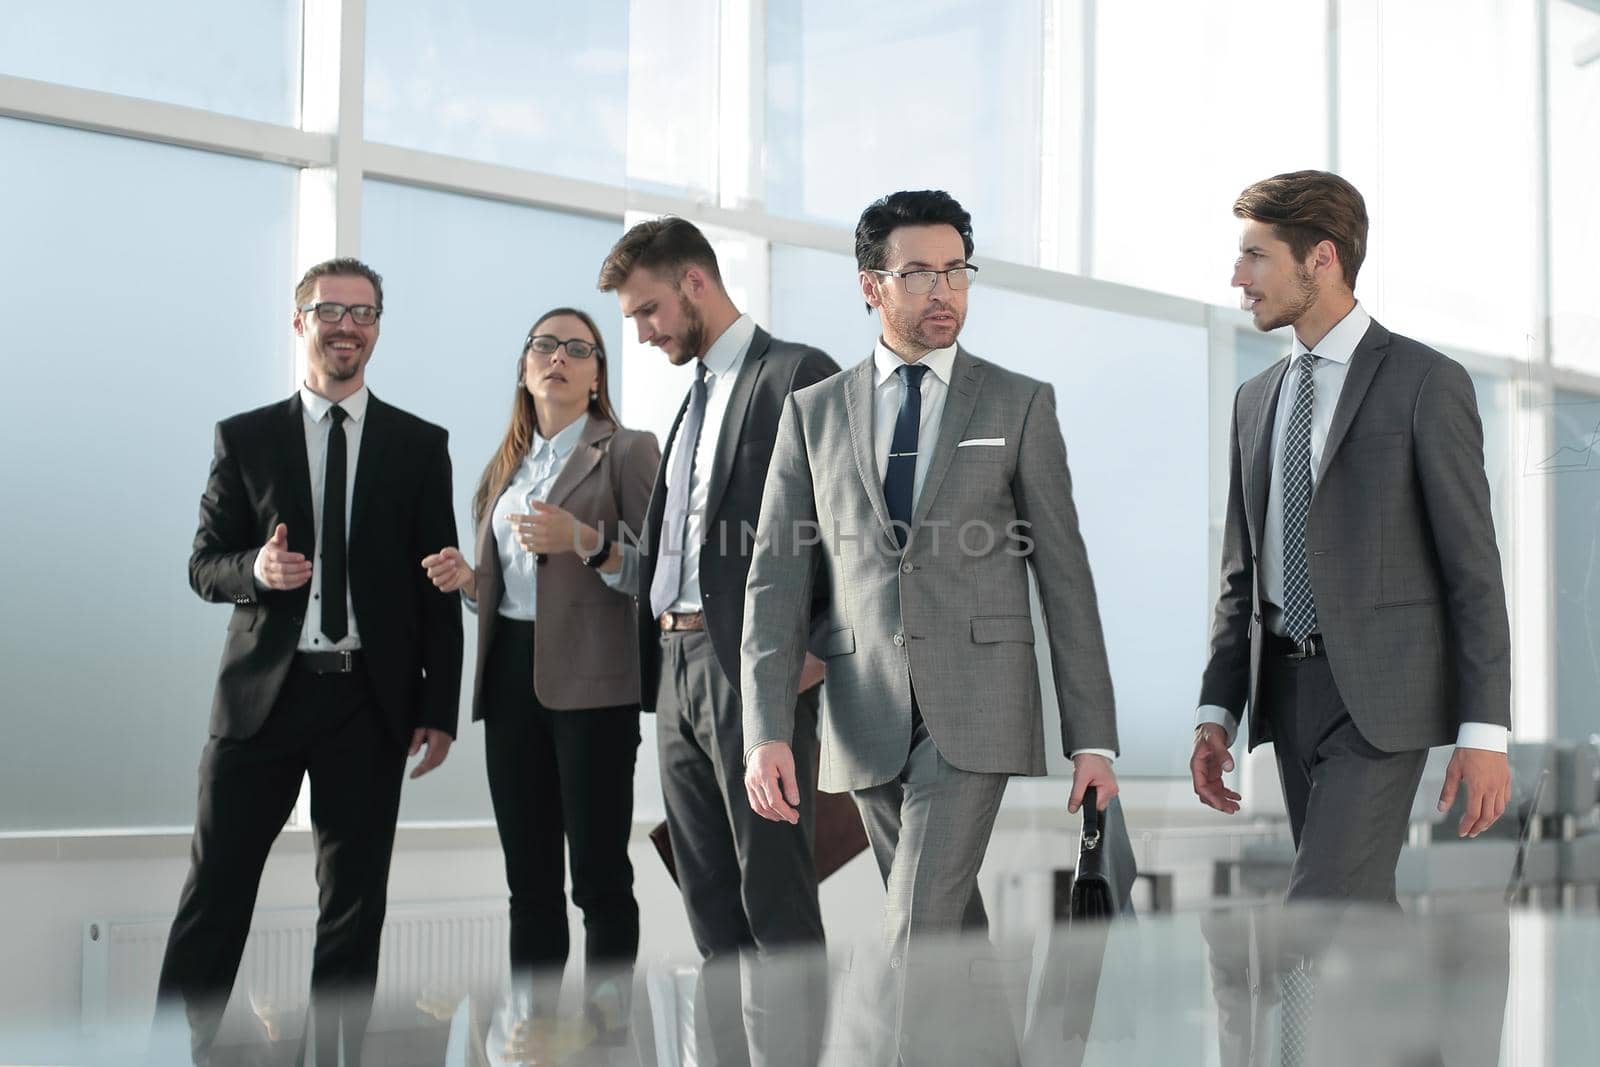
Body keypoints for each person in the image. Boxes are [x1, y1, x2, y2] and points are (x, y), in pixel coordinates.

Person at [740, 189, 1120, 1065]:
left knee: (912, 931)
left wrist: (1091, 736)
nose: (943, 289)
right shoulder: (815, 412)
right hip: (864, 715)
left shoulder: (1019, 404)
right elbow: (774, 580)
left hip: (978, 708)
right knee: (950, 941)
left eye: (957, 270)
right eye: (918, 272)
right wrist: (766, 730)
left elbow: (1065, 576)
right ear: (873, 285)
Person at [155, 257, 462, 1065]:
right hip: (263, 699)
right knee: (214, 894)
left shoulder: (421, 444)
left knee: (354, 909)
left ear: (377, 328)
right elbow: (202, 564)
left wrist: (440, 706)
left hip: (370, 702)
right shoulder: (245, 437)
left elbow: (439, 582)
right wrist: (255, 569)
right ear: (301, 323)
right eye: (330, 310)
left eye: (363, 312)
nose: (346, 325)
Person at [1190, 169, 1512, 902]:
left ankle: (1327, 1022)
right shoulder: (1256, 399)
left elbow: (1473, 570)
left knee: (1321, 907)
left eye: (1256, 255)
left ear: (1322, 258)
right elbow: (1241, 575)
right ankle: (1390, 1021)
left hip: (1380, 699)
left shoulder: (1426, 383)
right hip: (1285, 689)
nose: (1238, 276)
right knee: (1353, 920)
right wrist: (1217, 712)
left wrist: (1486, 730)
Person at [597, 216, 840, 1067]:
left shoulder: (795, 373)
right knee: (709, 905)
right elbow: (678, 550)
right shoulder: (691, 398)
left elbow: (857, 527)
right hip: (673, 669)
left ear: (695, 281)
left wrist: (819, 643)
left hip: (754, 671)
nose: (643, 330)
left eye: (649, 309)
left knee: (775, 900)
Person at [422, 308, 659, 1040]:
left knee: (597, 876)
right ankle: (535, 1037)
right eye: (545, 346)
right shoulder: (505, 468)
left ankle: (606, 1039)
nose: (559, 357)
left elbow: (658, 574)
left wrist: (585, 539)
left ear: (596, 376)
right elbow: (516, 588)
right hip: (511, 678)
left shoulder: (627, 450)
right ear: (525, 369)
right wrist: (471, 580)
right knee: (529, 881)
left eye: (578, 349)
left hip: (593, 686)